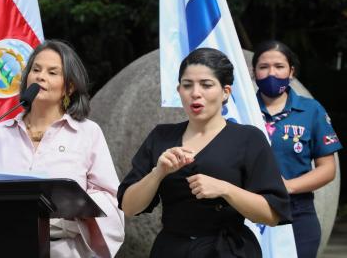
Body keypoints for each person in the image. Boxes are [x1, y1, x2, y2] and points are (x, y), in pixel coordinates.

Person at [0, 39, 125, 258]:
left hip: (65, 250)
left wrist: (72, 206)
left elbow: (110, 198)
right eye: (36, 69)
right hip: (7, 247)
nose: (40, 76)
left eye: (52, 72)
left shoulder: (88, 133)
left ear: (69, 87)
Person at [117, 47, 292, 257]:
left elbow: (272, 214)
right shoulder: (161, 136)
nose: (195, 93)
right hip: (171, 250)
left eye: (206, 85)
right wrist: (158, 173)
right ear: (178, 90)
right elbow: (128, 207)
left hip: (228, 250)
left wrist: (226, 189)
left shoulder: (248, 138)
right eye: (187, 85)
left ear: (226, 92)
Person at [252, 40, 343, 258]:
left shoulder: (311, 110)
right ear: (253, 73)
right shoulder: (240, 111)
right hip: (249, 212)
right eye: (263, 67)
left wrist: (288, 186)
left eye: (279, 66)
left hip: (298, 214)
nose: (271, 73)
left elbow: (327, 169)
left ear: (291, 71)